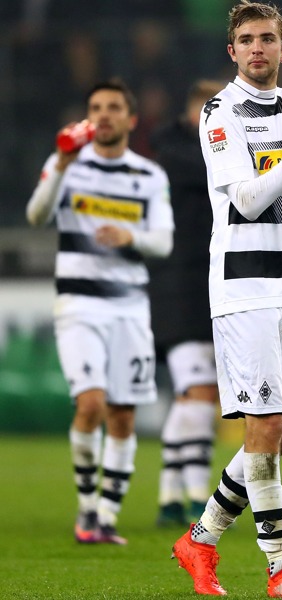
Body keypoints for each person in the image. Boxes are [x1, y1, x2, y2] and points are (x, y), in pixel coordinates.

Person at [169, 2, 282, 598]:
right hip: (243, 284)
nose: (257, 48)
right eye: (246, 40)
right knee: (266, 425)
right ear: (232, 51)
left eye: (267, 39)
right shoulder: (219, 113)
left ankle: (200, 539)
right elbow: (247, 199)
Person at [25, 78, 174, 545]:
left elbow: (164, 242)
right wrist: (62, 166)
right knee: (91, 404)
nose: (104, 115)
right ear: (88, 118)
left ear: (130, 120)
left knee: (123, 416)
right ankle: (86, 509)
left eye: (113, 108)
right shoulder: (67, 164)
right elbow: (36, 215)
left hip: (130, 308)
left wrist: (134, 238)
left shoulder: (149, 175)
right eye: (96, 107)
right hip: (79, 305)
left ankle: (106, 516)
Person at [149, 80, 224, 528]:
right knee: (198, 391)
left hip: (207, 284)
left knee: (191, 394)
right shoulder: (173, 155)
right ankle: (198, 497)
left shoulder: (183, 152)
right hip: (179, 285)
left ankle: (169, 496)